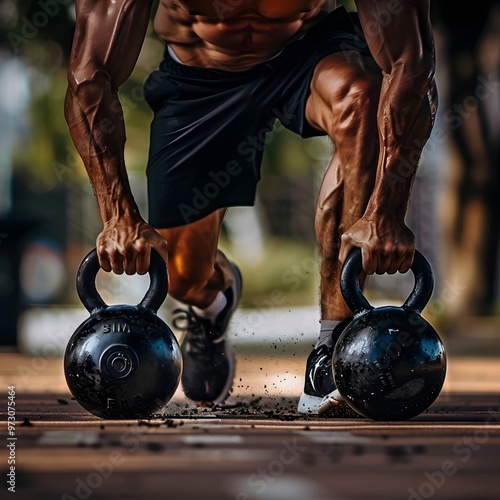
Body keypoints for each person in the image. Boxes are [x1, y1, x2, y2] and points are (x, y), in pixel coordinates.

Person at [64, 0, 437, 414]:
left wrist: (386, 211)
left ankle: (332, 344)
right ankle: (212, 302)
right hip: (201, 77)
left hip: (311, 50)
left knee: (362, 99)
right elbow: (89, 77)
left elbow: (412, 64)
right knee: (184, 276)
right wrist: (118, 216)